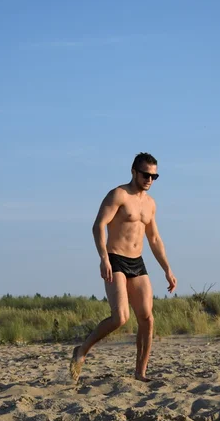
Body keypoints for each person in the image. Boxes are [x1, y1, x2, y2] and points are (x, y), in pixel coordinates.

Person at [69, 152, 177, 383]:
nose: (150, 180)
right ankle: (81, 351)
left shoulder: (150, 204)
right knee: (120, 317)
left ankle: (140, 372)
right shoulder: (118, 194)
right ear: (134, 172)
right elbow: (98, 226)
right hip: (115, 259)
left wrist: (167, 269)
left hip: (137, 262)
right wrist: (103, 258)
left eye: (154, 176)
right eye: (146, 175)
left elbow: (154, 239)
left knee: (147, 318)